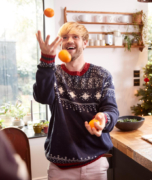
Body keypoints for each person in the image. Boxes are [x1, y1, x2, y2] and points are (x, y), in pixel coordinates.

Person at [33, 22, 119, 180]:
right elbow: (42, 97)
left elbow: (111, 110)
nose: (69, 40)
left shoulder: (102, 75)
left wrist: (103, 119)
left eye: (75, 37)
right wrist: (46, 61)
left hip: (96, 163)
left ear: (85, 42)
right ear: (60, 43)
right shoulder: (54, 74)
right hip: (60, 167)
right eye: (64, 37)